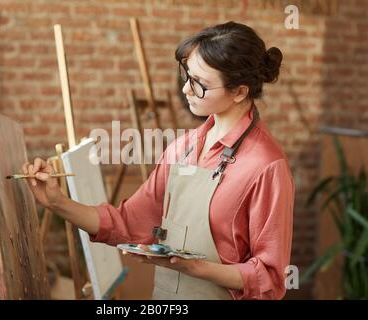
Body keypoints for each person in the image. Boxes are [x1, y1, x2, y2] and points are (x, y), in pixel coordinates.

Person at [21, 21, 295, 300]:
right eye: (187, 77)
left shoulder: (266, 166)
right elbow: (127, 222)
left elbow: (270, 279)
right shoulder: (183, 148)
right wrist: (57, 202)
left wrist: (196, 268)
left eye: (200, 84)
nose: (187, 90)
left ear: (239, 91)